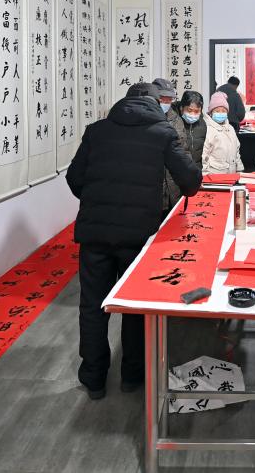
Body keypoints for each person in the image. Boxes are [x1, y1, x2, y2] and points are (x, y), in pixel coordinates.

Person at [66, 82, 202, 400]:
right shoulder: (162, 133)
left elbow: (74, 178)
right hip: (138, 235)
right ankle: (132, 374)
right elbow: (191, 181)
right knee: (134, 305)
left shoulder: (97, 131)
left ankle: (94, 377)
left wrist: (98, 201)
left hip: (95, 234)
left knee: (92, 306)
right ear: (155, 104)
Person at [163, 90, 208, 212]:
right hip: (175, 179)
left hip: (192, 176)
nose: (193, 114)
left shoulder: (202, 124)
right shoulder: (174, 122)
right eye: (189, 110)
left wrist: (197, 177)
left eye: (197, 111)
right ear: (182, 108)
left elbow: (199, 155)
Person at [201, 91, 243, 174]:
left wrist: (239, 169)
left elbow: (236, 152)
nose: (220, 113)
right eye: (217, 111)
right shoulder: (208, 129)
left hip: (231, 175)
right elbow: (203, 155)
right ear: (211, 113)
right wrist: (205, 175)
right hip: (214, 175)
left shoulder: (230, 128)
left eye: (223, 111)